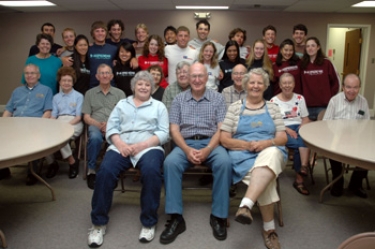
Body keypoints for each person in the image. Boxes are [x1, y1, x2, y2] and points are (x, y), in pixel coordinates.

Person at [87, 71, 169, 247]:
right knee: (105, 172)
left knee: (152, 172)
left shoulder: (159, 106)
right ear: (133, 86)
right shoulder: (122, 104)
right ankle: (98, 223)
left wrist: (142, 146)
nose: (143, 87)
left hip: (148, 147)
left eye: (147, 85)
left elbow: (163, 132)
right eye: (140, 84)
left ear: (152, 88)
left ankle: (148, 222)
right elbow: (111, 127)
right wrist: (120, 144)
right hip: (121, 145)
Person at [160, 63, 231, 244]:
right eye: (194, 76)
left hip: (211, 142)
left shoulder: (218, 98)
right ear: (188, 78)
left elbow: (221, 129)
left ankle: (218, 216)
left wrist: (208, 149)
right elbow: (174, 130)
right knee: (170, 163)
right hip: (186, 143)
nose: (197, 80)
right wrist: (186, 149)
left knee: (224, 163)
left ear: (207, 77)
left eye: (201, 76)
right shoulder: (179, 100)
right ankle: (176, 217)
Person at [220, 68, 287, 249]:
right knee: (267, 178)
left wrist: (266, 143)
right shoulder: (234, 108)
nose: (255, 86)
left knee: (272, 154)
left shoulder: (273, 108)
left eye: (259, 83)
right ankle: (269, 230)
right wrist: (245, 145)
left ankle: (246, 204)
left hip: (268, 150)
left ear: (265, 86)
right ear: (245, 84)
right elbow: (224, 139)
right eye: (252, 82)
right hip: (242, 154)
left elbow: (283, 138)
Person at [3, 64, 53, 185]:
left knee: (34, 140)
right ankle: (4, 168)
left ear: (38, 75)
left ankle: (32, 172)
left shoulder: (46, 90)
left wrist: (40, 126)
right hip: (15, 124)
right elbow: (8, 110)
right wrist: (3, 125)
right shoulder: (17, 91)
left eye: (32, 73)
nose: (29, 76)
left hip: (34, 125)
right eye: (27, 73)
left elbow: (48, 111)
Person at [323, 74, 370, 198]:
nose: (351, 91)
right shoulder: (334, 100)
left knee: (369, 153)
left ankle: (355, 184)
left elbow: (367, 125)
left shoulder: (363, 101)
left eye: (355, 87)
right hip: (337, 138)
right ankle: (338, 182)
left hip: (357, 138)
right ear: (343, 87)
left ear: (359, 88)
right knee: (332, 152)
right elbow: (325, 124)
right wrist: (339, 135)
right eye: (348, 87)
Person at [82, 64, 126, 189]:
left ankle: (112, 172)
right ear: (97, 76)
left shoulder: (120, 93)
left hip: (115, 126)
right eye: (102, 73)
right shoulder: (89, 93)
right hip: (95, 125)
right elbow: (86, 116)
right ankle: (92, 170)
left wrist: (110, 125)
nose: (105, 75)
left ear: (112, 76)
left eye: (107, 73)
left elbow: (124, 116)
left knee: (115, 139)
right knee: (95, 138)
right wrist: (98, 125)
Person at [270, 73, 310, 195]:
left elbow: (305, 118)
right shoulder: (273, 101)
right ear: (280, 85)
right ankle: (300, 178)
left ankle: (302, 168)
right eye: (284, 83)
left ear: (294, 84)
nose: (287, 85)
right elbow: (273, 123)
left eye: (290, 83)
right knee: (300, 144)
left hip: (299, 127)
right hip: (282, 129)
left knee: (305, 139)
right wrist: (286, 129)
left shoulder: (300, 98)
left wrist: (303, 126)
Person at [49, 67, 83, 179]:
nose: (66, 83)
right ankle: (52, 163)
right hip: (59, 121)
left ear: (73, 82)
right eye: (64, 80)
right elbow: (53, 116)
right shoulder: (56, 98)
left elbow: (78, 117)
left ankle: (72, 162)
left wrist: (65, 126)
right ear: (59, 82)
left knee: (61, 136)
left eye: (69, 81)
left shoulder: (79, 96)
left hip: (74, 122)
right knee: (45, 136)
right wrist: (49, 126)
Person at [300, 37, 340, 121]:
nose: (310, 48)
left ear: (318, 47)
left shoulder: (326, 63)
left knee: (322, 131)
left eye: (313, 46)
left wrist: (329, 97)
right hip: (306, 106)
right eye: (308, 46)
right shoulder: (302, 64)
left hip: (323, 106)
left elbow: (335, 83)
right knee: (307, 131)